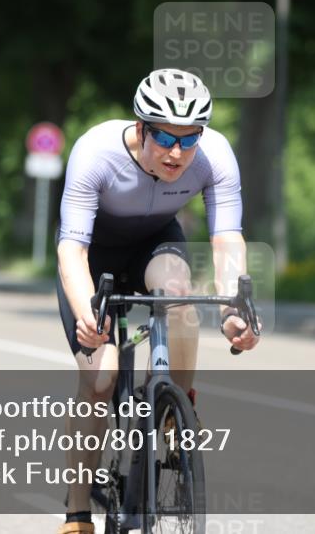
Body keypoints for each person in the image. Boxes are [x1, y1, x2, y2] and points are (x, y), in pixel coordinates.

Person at [54, 68, 261, 534]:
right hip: (95, 254)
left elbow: (227, 239)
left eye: (189, 140)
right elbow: (73, 249)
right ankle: (78, 512)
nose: (176, 152)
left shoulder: (215, 156)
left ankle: (175, 407)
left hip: (155, 243)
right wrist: (89, 312)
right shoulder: (96, 152)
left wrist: (233, 310)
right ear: (141, 127)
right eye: (165, 137)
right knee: (101, 379)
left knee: (177, 292)